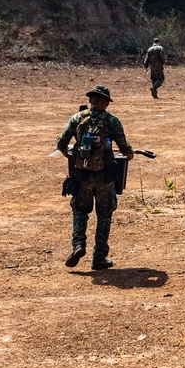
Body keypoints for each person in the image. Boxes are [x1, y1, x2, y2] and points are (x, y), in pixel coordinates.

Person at [56, 85, 134, 271]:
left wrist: (71, 156)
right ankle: (99, 257)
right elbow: (124, 148)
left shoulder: (77, 119)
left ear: (91, 101)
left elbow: (61, 143)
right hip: (104, 176)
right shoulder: (112, 121)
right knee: (104, 215)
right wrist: (130, 154)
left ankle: (78, 245)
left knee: (80, 211)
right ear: (106, 103)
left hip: (81, 175)